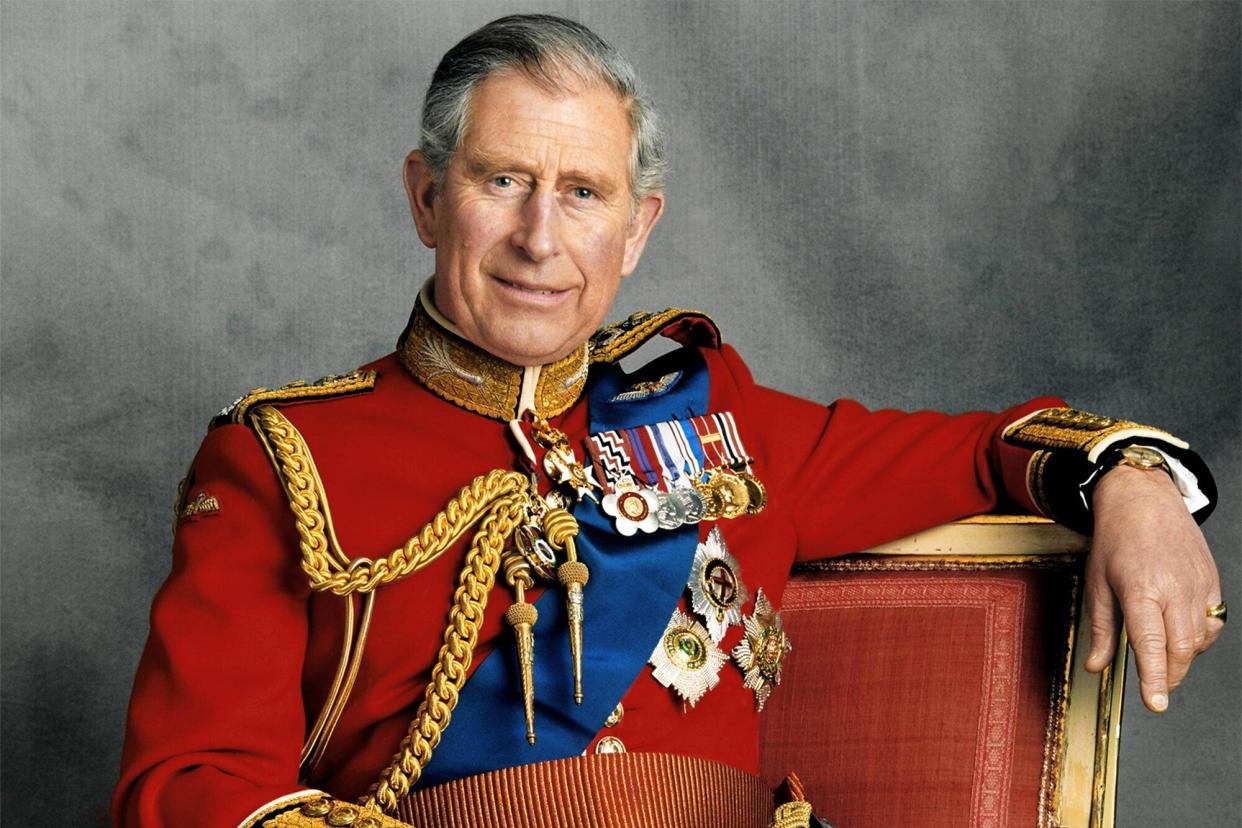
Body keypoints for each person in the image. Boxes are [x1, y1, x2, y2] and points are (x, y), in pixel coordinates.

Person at [113, 14, 1224, 828]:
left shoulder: (720, 418)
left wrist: (1130, 480)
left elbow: (987, 451)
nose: (540, 239)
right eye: (503, 181)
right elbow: (190, 787)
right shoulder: (288, 457)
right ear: (424, 196)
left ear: (637, 229)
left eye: (583, 193)